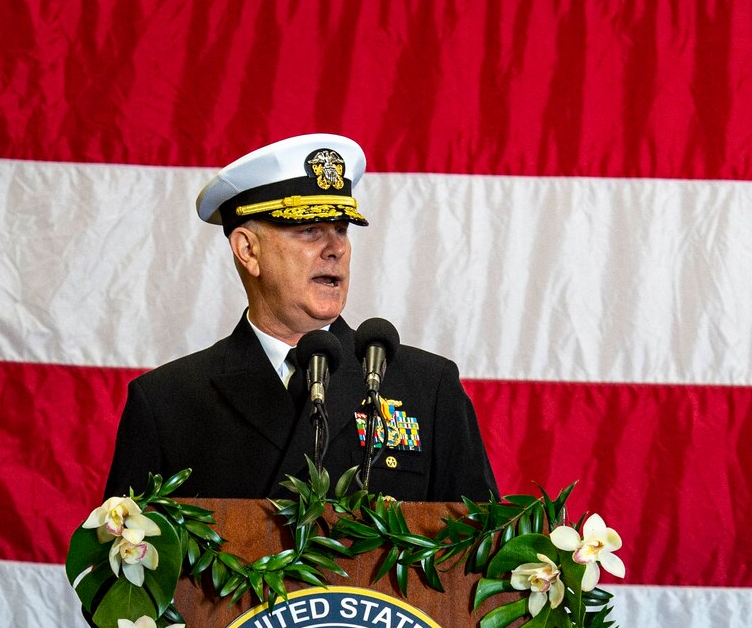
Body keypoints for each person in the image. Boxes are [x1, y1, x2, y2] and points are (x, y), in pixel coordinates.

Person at [103, 133, 497, 502]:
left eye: (341, 229)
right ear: (247, 250)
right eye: (310, 230)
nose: (335, 248)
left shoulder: (427, 388)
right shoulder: (168, 402)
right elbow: (123, 567)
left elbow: (479, 555)